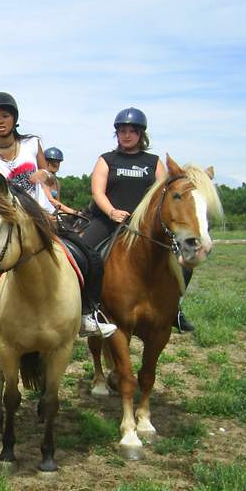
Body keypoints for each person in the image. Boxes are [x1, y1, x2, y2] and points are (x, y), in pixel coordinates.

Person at [0, 92, 116, 342]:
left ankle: (87, 316)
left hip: (45, 217)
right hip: (12, 221)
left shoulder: (32, 142)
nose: (0, 121)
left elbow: (46, 173)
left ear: (14, 118)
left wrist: (44, 176)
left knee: (90, 257)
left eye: (5, 116)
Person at [82, 107, 194, 332]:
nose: (126, 135)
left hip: (144, 225)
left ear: (141, 134)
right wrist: (112, 212)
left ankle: (176, 307)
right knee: (83, 253)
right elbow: (98, 192)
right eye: (122, 130)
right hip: (108, 220)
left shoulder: (153, 163)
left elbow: (162, 194)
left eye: (132, 131)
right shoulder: (107, 160)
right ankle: (86, 309)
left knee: (185, 257)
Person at [40, 147, 79, 216]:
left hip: (52, 212)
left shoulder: (56, 182)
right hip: (40, 212)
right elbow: (51, 200)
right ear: (46, 162)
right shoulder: (42, 177)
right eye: (54, 161)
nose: (57, 164)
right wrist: (73, 212)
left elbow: (57, 204)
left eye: (58, 161)